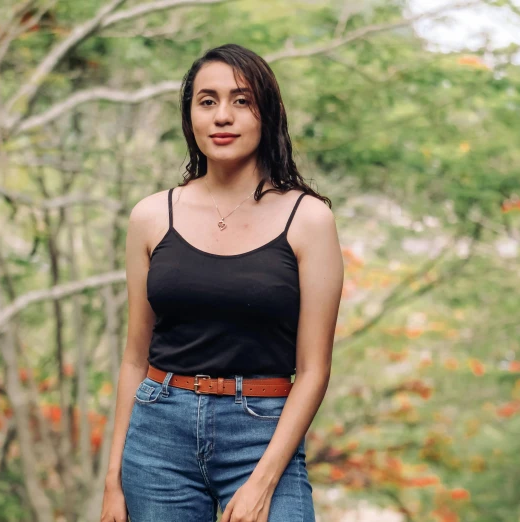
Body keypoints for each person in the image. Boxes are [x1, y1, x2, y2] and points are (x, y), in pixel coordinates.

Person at [99, 43, 344, 522]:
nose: (222, 116)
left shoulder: (308, 219)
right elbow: (134, 357)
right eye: (207, 101)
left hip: (262, 433)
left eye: (241, 100)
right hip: (158, 433)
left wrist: (264, 481)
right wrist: (113, 481)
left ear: (266, 113)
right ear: (190, 115)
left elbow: (313, 370)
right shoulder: (151, 215)